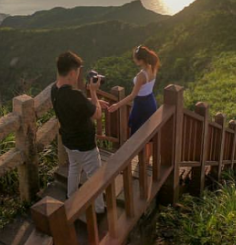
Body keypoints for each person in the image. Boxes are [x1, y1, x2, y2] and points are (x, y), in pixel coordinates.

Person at [50, 51, 108, 214]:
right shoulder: (74, 94)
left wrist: (91, 101)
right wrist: (94, 92)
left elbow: (75, 105)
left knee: (74, 168)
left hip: (69, 141)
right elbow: (96, 115)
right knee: (95, 178)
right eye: (77, 72)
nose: (78, 76)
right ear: (72, 72)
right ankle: (99, 210)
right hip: (85, 145)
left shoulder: (55, 90)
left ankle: (71, 197)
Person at [107, 45, 160, 136]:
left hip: (141, 104)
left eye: (135, 58)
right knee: (148, 132)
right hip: (151, 101)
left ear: (141, 60)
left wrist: (117, 105)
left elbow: (132, 95)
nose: (134, 60)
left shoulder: (141, 76)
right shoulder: (153, 67)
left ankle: (138, 150)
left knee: (137, 133)